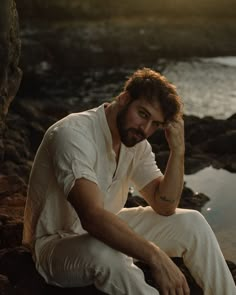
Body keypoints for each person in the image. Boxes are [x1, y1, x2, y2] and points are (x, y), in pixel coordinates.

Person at [23, 68, 236, 295]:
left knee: (192, 222)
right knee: (106, 255)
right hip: (55, 244)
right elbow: (92, 217)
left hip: (107, 225)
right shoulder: (73, 134)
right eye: (143, 114)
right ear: (124, 99)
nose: (145, 129)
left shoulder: (136, 144)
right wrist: (156, 257)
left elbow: (165, 205)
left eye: (156, 124)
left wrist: (178, 151)